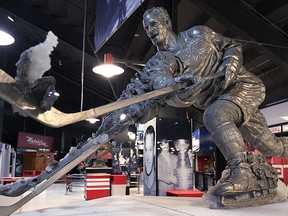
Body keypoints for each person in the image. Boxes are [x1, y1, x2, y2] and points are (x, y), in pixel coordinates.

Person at [95, 7, 288, 199]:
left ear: (167, 23)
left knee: (214, 114)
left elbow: (230, 45)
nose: (151, 31)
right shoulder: (158, 62)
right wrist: (101, 136)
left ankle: (242, 172)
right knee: (272, 147)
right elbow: (161, 83)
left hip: (243, 87)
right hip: (224, 103)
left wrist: (231, 62)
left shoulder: (198, 34)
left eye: (154, 24)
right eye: (146, 28)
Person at [143, 125, 156, 195]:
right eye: (146, 150)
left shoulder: (158, 182)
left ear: (154, 150)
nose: (147, 157)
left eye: (150, 149)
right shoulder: (144, 180)